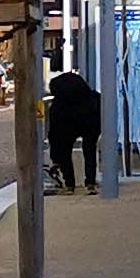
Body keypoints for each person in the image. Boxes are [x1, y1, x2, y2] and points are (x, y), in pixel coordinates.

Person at [48, 65, 103, 193]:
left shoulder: (57, 107)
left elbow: (54, 135)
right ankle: (90, 182)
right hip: (89, 119)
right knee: (89, 150)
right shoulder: (93, 99)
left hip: (66, 122)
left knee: (65, 151)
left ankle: (69, 185)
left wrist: (55, 159)